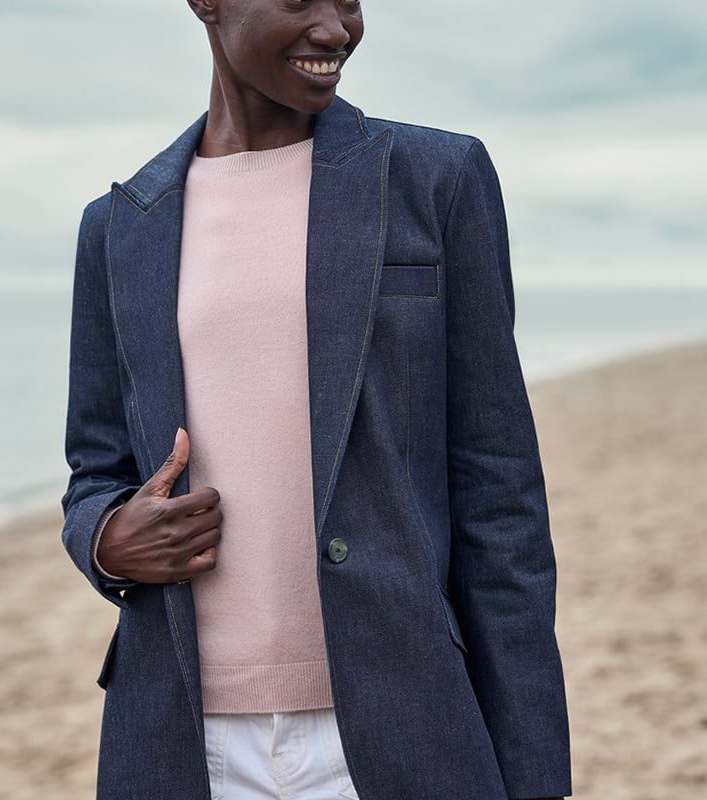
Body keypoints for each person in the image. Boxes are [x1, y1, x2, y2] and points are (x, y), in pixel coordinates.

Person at [60, 1, 572, 798]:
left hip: (405, 717)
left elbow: (500, 496)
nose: (335, 29)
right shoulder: (121, 225)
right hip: (182, 734)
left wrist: (535, 770)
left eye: (349, 1)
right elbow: (94, 468)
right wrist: (105, 539)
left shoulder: (438, 179)